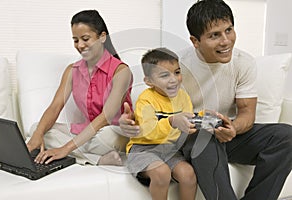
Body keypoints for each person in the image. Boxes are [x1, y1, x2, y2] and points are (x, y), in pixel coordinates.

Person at [120, 0, 292, 199]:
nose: (226, 41)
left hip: (223, 133)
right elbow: (152, 108)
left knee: (286, 136)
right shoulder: (177, 67)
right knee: (204, 139)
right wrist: (131, 122)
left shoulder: (243, 63)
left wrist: (233, 128)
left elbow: (247, 113)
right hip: (190, 139)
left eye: (229, 30)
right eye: (214, 35)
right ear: (195, 41)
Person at [26, 9, 134, 166]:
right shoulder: (72, 70)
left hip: (113, 131)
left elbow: (106, 117)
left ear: (102, 37)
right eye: (76, 40)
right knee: (36, 128)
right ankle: (98, 159)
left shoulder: (121, 71)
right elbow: (55, 107)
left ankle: (76, 153)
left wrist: (65, 148)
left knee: (108, 136)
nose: (80, 45)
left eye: (85, 39)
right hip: (89, 133)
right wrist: (38, 134)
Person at [126, 47, 197, 200]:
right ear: (149, 81)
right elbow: (148, 132)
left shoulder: (183, 97)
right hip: (143, 149)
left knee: (188, 174)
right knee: (162, 172)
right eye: (165, 75)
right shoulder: (145, 100)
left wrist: (203, 119)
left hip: (170, 149)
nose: (173, 79)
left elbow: (188, 121)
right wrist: (171, 121)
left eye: (177, 72)